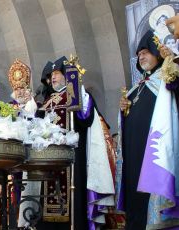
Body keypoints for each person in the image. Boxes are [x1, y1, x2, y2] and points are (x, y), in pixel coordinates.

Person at [33, 56, 114, 229]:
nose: (52, 77)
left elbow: (85, 118)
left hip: (72, 160)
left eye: (57, 73)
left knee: (73, 199)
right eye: (51, 74)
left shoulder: (77, 96)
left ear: (66, 76)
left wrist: (78, 90)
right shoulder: (48, 100)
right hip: (50, 161)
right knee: (48, 198)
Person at [118, 30, 179, 229]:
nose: (141, 56)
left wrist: (171, 61)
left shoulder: (167, 79)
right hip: (135, 159)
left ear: (157, 52)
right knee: (136, 206)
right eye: (139, 53)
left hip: (154, 157)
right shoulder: (137, 86)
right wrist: (123, 111)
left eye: (145, 51)